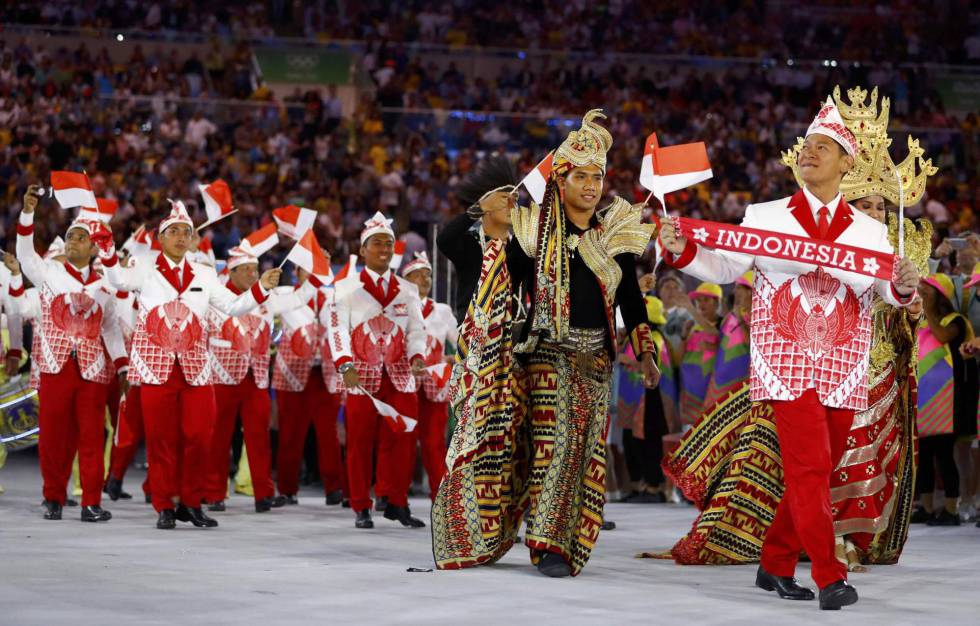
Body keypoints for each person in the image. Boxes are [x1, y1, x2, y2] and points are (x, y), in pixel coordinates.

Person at [660, 94, 919, 609]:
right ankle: (829, 575)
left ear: (846, 163)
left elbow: (889, 290)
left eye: (823, 147)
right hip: (786, 361)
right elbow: (727, 267)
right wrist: (682, 248)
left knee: (816, 470)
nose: (809, 153)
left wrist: (905, 284)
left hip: (845, 366)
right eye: (806, 146)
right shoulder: (768, 215)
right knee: (808, 466)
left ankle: (775, 563)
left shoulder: (870, 230)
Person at [432, 110, 660, 578]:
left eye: (598, 176)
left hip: (598, 359)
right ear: (561, 177)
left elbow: (631, 298)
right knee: (554, 447)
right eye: (581, 175)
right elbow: (473, 259)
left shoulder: (616, 229)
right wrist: (484, 205)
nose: (592, 185)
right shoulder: (531, 230)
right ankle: (544, 545)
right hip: (546, 353)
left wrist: (647, 351)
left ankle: (564, 536)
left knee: (583, 452)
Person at [96, 200, 281, 530]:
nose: (182, 237)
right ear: (161, 238)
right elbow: (118, 280)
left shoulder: (205, 274)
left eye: (187, 231)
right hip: (155, 366)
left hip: (196, 366)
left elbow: (234, 306)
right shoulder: (146, 267)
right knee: (161, 439)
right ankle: (165, 504)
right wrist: (108, 249)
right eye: (174, 232)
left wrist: (261, 289)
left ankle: (192, 503)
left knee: (199, 435)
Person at [15, 184, 129, 523]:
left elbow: (110, 328)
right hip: (55, 363)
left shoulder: (104, 286)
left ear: (94, 247)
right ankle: (53, 495)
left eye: (79, 237)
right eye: (69, 236)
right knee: (53, 434)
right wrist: (27, 213)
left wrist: (122, 367)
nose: (71, 242)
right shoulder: (48, 272)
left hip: (93, 369)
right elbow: (23, 254)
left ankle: (91, 500)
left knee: (93, 435)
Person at [203, 244, 323, 513]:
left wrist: (316, 269)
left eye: (254, 269)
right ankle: (213, 492)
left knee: (259, 437)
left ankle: (263, 493)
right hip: (221, 377)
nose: (251, 274)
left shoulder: (266, 298)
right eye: (244, 269)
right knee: (218, 437)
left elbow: (300, 297)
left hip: (256, 377)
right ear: (231, 272)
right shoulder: (217, 297)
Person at [328, 212, 428, 529]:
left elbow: (416, 330)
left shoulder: (407, 289)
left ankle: (396, 500)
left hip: (400, 375)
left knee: (403, 438)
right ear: (364, 250)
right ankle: (360, 504)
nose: (384, 249)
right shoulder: (346, 288)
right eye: (377, 243)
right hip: (362, 376)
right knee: (360, 442)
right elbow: (337, 329)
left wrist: (417, 356)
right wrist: (344, 363)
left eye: (388, 243)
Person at [272, 266, 346, 507]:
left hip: (324, 373)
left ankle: (334, 488)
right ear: (296, 271)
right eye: (308, 269)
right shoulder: (283, 294)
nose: (314, 273)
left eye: (319, 268)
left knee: (329, 435)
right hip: (291, 372)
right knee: (290, 435)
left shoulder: (334, 297)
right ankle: (287, 489)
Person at [912, 274, 977, 525]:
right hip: (924, 399)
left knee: (944, 455)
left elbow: (941, 336)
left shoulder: (956, 321)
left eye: (928, 291)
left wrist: (926, 309)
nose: (923, 294)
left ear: (941, 295)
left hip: (947, 402)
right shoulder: (923, 323)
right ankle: (926, 508)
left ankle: (951, 509)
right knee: (925, 456)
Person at [400, 252, 458, 500]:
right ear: (405, 281)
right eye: (418, 275)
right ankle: (396, 496)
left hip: (435, 385)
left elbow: (460, 344)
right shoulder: (398, 307)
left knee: (434, 443)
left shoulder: (442, 310)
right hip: (406, 383)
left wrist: (452, 359)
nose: (425, 279)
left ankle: (440, 494)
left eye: (428, 274)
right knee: (404, 440)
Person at [436, 155, 518, 321]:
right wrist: (479, 207)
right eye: (505, 200)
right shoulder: (470, 245)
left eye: (515, 200)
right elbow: (444, 240)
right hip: (471, 339)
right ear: (487, 206)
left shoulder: (521, 248)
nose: (512, 206)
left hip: (511, 340)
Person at [678, 282, 721, 427]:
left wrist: (690, 308)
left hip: (710, 391)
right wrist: (684, 336)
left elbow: (712, 332)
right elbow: (678, 359)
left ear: (717, 303)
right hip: (689, 391)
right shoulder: (691, 326)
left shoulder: (724, 322)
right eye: (699, 300)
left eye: (706, 300)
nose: (701, 304)